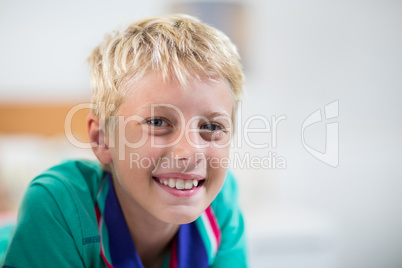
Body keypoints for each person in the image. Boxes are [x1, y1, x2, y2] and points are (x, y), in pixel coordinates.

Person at [1, 14, 247, 268]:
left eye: (210, 126)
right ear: (102, 139)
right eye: (158, 122)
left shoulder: (220, 204)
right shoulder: (57, 205)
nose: (189, 153)